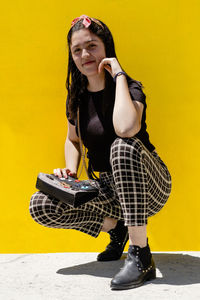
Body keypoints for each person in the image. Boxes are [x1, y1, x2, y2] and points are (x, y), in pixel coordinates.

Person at [29, 15, 172, 290]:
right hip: (106, 188)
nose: (85, 54)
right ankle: (117, 229)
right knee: (41, 205)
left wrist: (117, 74)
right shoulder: (77, 98)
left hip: (148, 185)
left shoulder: (130, 88)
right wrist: (70, 172)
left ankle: (140, 253)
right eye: (77, 50)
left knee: (123, 145)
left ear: (106, 48)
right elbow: (72, 139)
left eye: (92, 46)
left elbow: (127, 127)